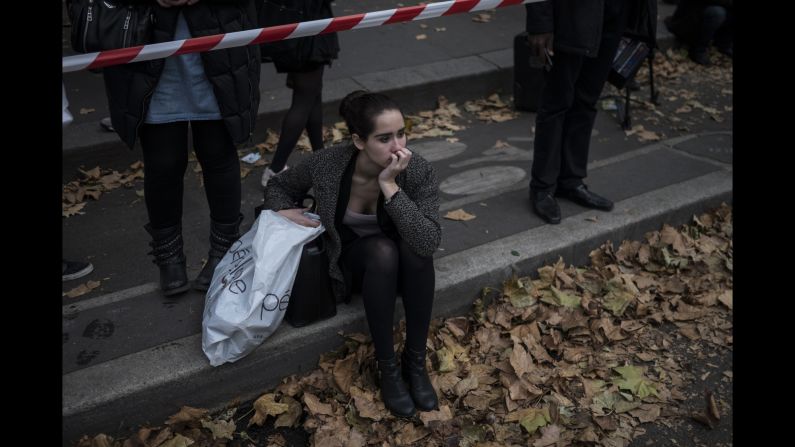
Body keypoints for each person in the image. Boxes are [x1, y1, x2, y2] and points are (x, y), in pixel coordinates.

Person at [262, 91, 440, 418]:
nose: (398, 146)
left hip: (405, 271)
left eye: (402, 133)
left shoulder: (417, 170)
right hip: (352, 264)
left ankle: (415, 362)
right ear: (359, 141)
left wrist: (390, 186)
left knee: (415, 249)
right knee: (383, 250)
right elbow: (278, 186)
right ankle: (387, 368)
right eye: (384, 138)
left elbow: (428, 241)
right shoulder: (328, 164)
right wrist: (284, 210)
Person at [101, 0, 261, 296]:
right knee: (163, 163)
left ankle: (223, 253)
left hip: (220, 45)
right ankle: (169, 258)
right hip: (148, 45)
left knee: (218, 156)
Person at [524, 0, 655, 224]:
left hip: (614, 15)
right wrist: (540, 23)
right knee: (557, 102)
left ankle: (571, 180)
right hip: (571, 17)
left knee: (586, 100)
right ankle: (543, 187)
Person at [257, 0, 340, 188]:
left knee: (312, 95)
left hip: (292, 26)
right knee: (304, 99)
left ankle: (320, 159)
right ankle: (275, 169)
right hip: (308, 29)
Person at [665, 0, 732, 66]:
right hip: (690, 17)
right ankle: (698, 50)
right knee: (717, 13)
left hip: (710, 8)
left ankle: (724, 43)